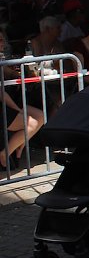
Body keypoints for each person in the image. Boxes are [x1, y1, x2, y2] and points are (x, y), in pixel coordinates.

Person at [0, 28, 45, 170]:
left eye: (3, 39)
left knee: (41, 116)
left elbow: (9, 71)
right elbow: (2, 94)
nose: (3, 43)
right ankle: (4, 153)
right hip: (3, 105)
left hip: (7, 101)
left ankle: (19, 147)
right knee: (30, 124)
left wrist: (17, 73)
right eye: (0, 40)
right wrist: (18, 110)